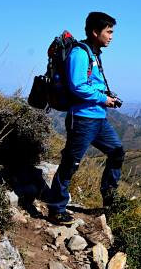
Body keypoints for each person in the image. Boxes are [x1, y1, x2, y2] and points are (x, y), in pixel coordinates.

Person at [45, 12, 124, 225]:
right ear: (95, 32)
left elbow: (91, 83)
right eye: (109, 31)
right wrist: (103, 99)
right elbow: (77, 85)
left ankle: (110, 200)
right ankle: (56, 208)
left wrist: (108, 97)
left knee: (117, 152)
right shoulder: (80, 54)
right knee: (71, 163)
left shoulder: (94, 53)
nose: (111, 36)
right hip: (82, 118)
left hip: (98, 119)